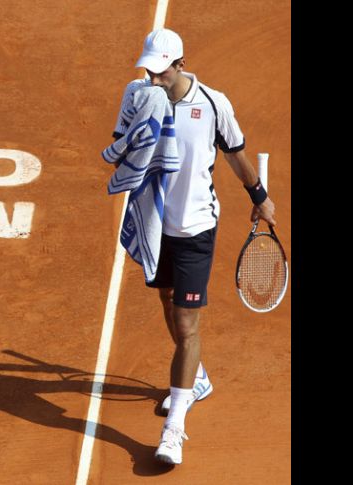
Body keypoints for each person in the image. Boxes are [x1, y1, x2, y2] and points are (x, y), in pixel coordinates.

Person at [109, 28, 277, 465]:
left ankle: (173, 430)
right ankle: (195, 379)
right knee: (166, 301)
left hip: (196, 230)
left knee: (186, 328)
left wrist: (259, 197)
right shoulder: (140, 96)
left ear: (180, 64)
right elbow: (120, 144)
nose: (153, 76)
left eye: (160, 70)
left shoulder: (213, 104)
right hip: (156, 226)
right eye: (148, 68)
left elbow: (236, 154)